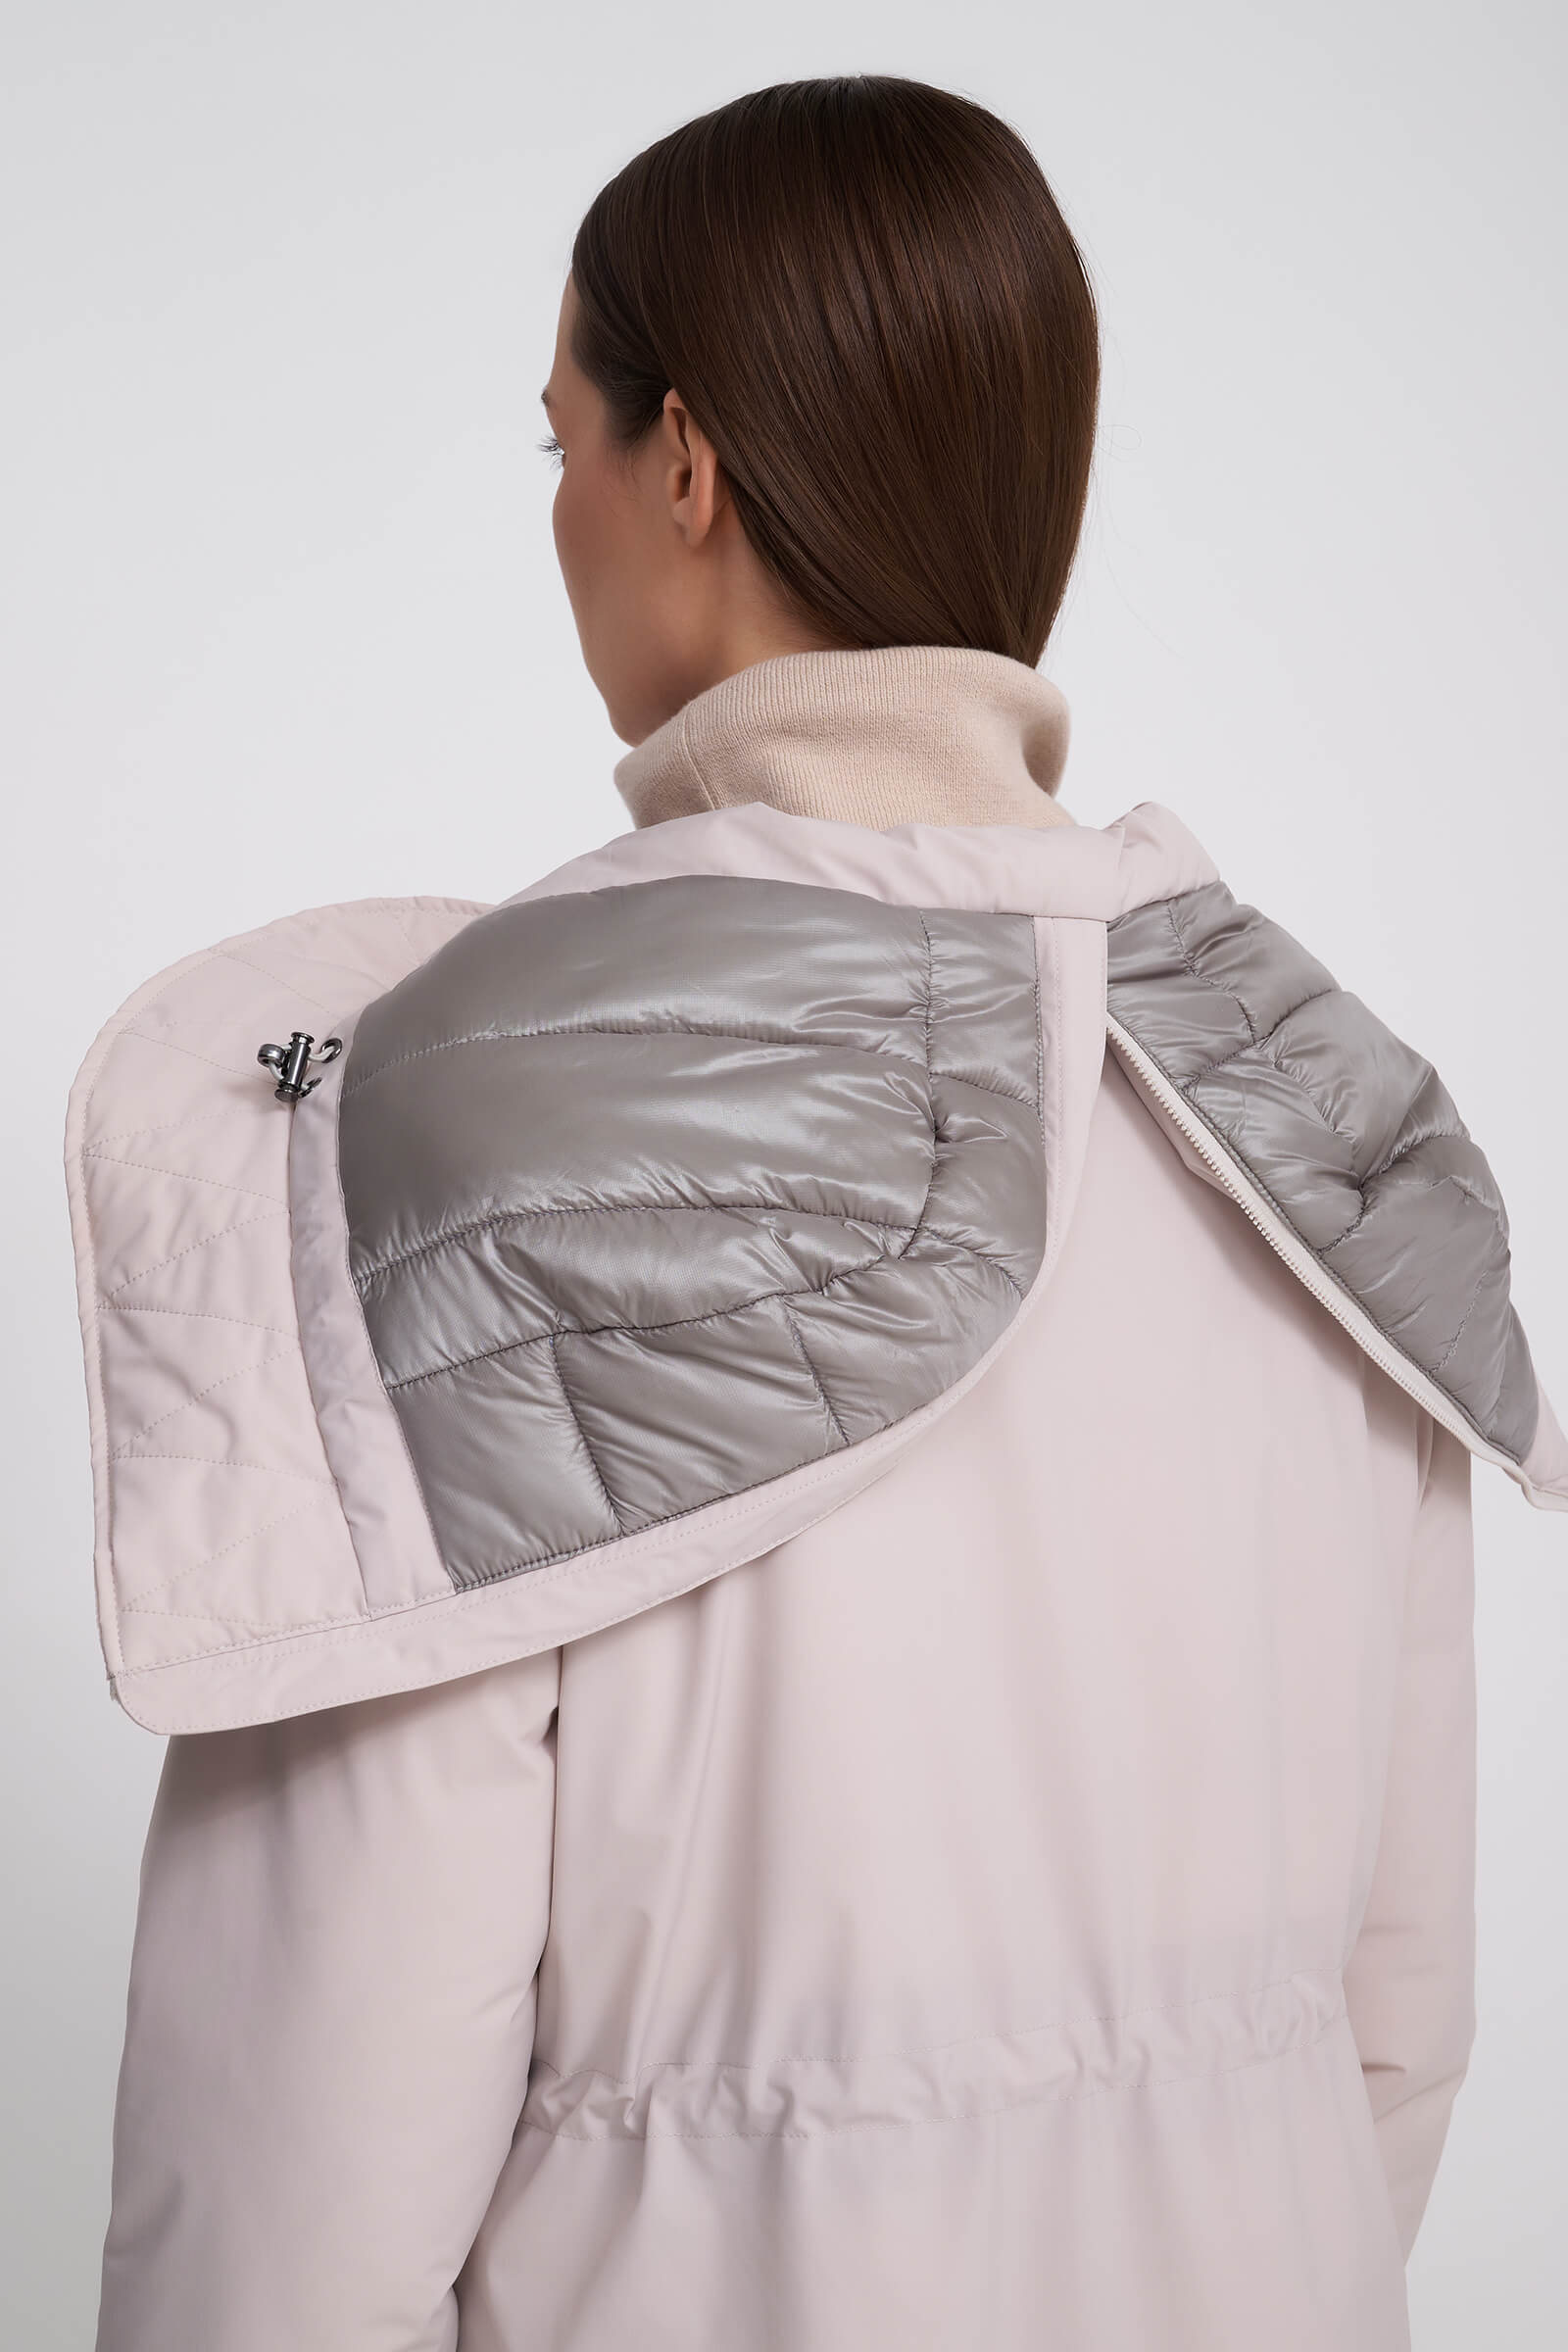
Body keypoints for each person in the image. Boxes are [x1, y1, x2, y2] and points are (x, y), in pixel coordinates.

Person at [68, 74, 1565, 2352]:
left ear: (681, 464)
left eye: (558, 436)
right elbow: (1391, 2033)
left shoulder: (465, 1135)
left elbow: (299, 2178)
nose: (558, 507)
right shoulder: (1321, 1137)